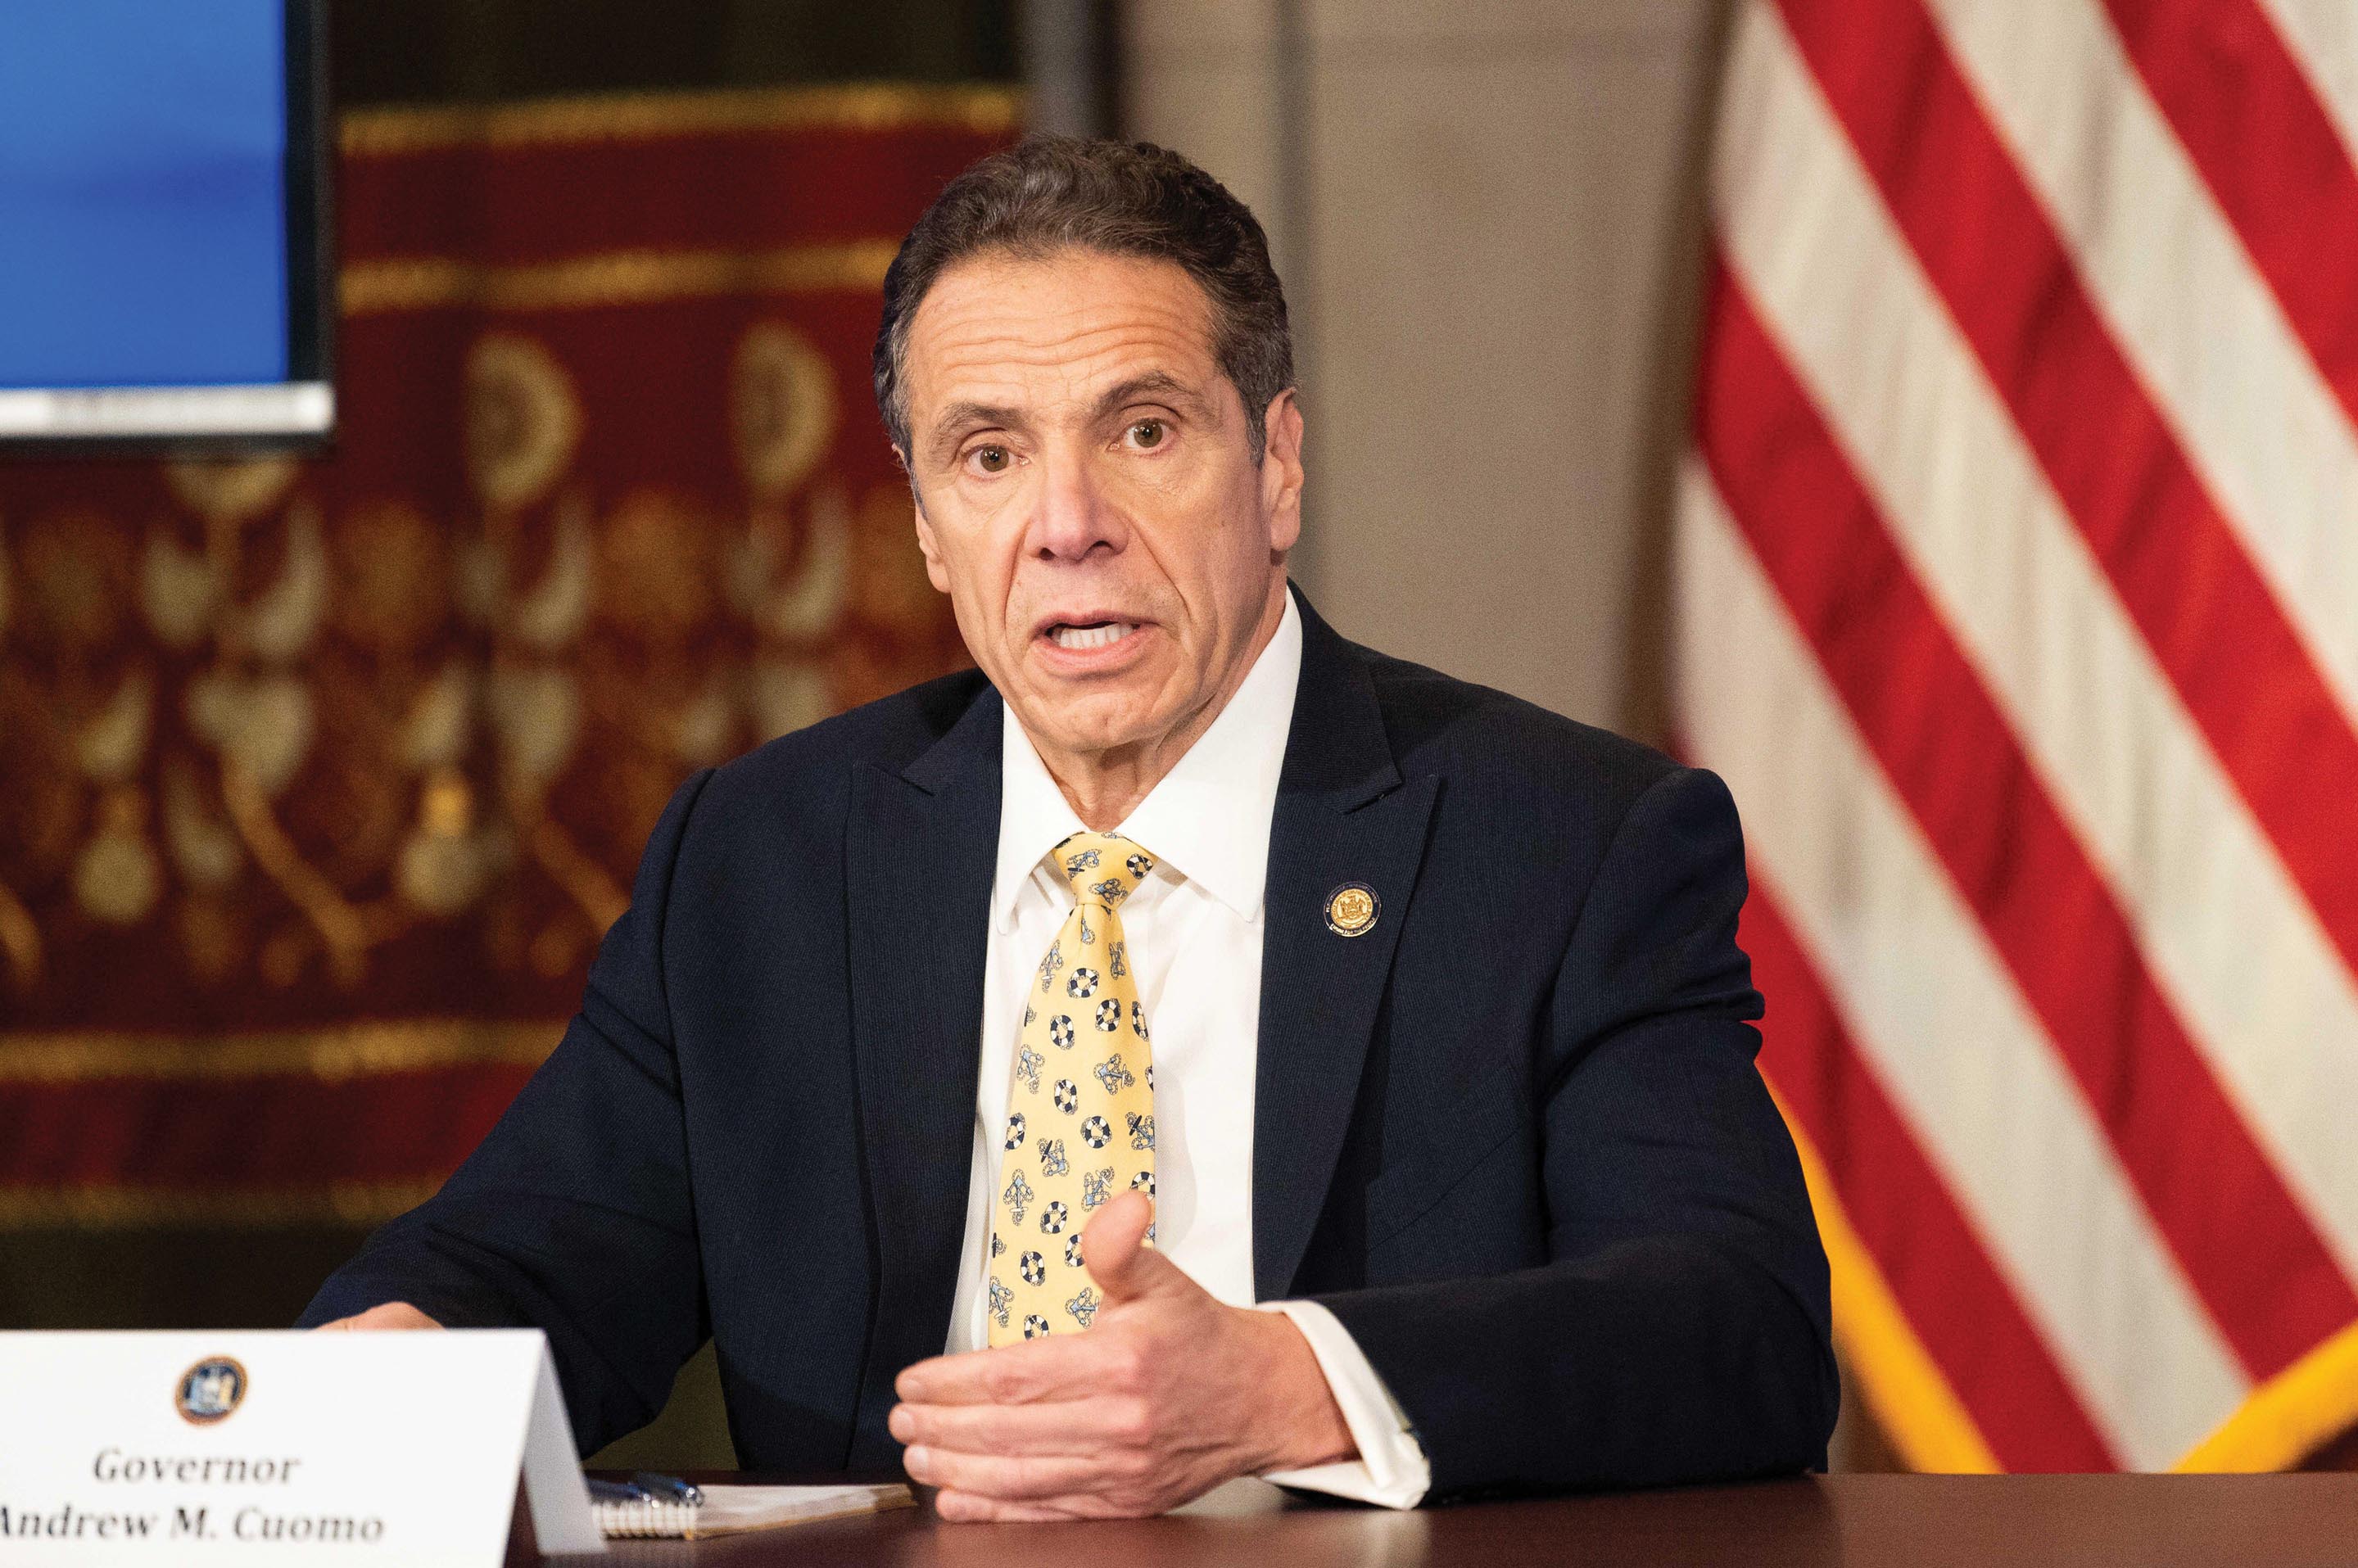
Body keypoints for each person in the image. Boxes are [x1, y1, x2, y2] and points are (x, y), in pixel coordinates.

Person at [302, 136, 1837, 1516]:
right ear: (924, 526)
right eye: (988, 454)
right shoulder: (765, 861)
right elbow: (525, 1265)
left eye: (1145, 432)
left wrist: (1283, 1389)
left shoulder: (1564, 844)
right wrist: (387, 1369)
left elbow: (1739, 1324)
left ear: (1278, 465)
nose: (1066, 520)